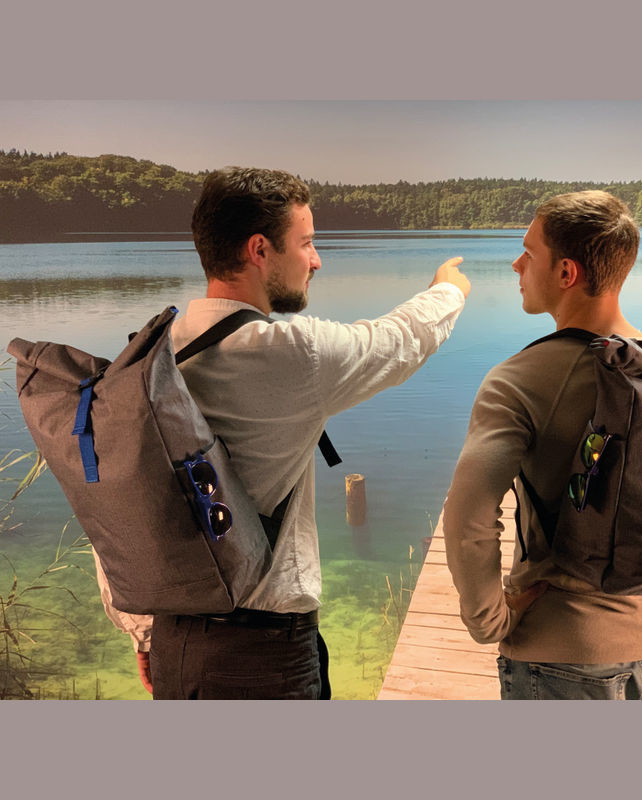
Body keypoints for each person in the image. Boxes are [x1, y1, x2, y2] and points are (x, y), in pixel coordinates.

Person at [95, 166, 471, 699]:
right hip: (263, 653)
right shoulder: (291, 354)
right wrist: (448, 290)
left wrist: (145, 634)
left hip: (174, 642)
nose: (316, 260)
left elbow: (120, 509)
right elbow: (399, 339)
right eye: (307, 243)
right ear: (259, 250)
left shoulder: (144, 359)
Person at [442, 190, 642, 700]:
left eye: (528, 253)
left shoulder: (518, 379)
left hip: (559, 656)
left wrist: (491, 621)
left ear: (566, 272)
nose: (516, 265)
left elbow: (468, 517)